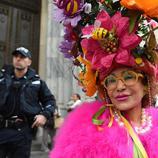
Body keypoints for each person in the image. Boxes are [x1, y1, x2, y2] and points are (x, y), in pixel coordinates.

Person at [50, 1, 158, 158]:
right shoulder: (85, 131)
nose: (119, 87)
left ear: (145, 83)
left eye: (129, 77)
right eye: (111, 80)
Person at [0, 47, 56, 158]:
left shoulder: (37, 82)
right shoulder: (2, 79)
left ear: (29, 62)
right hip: (1, 129)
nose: (18, 59)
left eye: (22, 57)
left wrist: (44, 115)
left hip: (22, 132)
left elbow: (50, 101)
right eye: (16, 56)